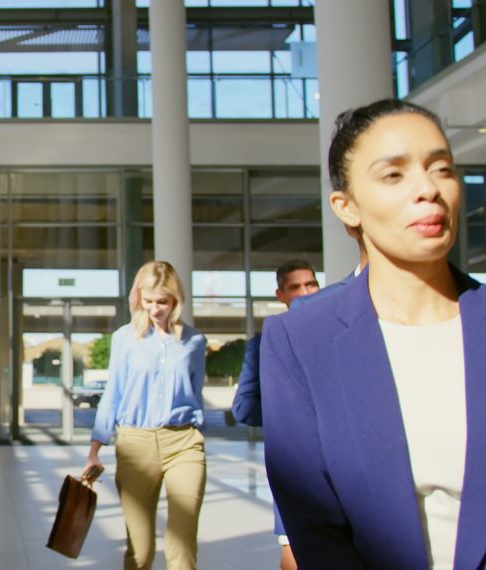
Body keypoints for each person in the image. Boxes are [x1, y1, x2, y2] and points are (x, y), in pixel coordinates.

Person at [261, 99, 486, 568]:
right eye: (393, 175)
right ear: (347, 207)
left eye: (441, 168)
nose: (428, 189)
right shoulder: (302, 339)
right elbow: (314, 527)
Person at [85, 261, 208, 570]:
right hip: (135, 443)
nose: (155, 309)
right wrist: (95, 450)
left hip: (184, 444)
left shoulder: (194, 342)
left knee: (182, 547)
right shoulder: (124, 338)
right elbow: (112, 393)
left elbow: (195, 391)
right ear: (138, 297)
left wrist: (196, 432)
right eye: (148, 300)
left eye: (162, 302)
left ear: (176, 300)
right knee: (140, 552)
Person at [231, 259, 319, 570]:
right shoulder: (265, 343)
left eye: (311, 284)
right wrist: (289, 413)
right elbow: (243, 407)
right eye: (295, 287)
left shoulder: (337, 335)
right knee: (292, 549)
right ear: (280, 294)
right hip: (295, 462)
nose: (305, 292)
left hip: (345, 460)